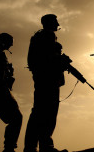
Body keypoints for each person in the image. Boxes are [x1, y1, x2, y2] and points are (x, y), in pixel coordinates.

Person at [24, 14, 68, 152]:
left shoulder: (40, 37)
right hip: (48, 80)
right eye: (55, 21)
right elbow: (48, 61)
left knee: (39, 113)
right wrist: (61, 62)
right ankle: (45, 146)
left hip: (44, 80)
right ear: (48, 23)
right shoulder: (47, 37)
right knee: (46, 114)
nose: (57, 23)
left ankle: (33, 146)